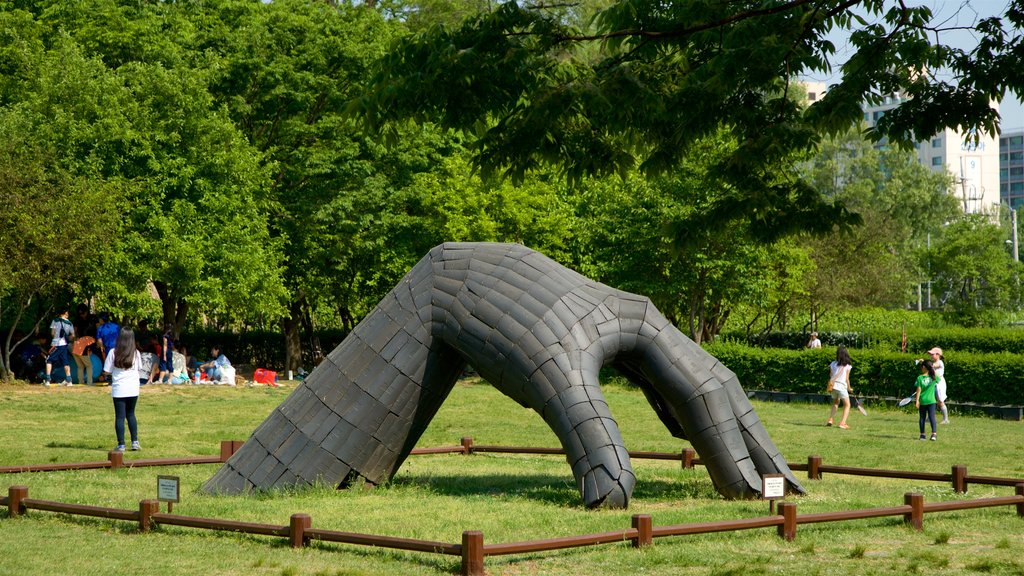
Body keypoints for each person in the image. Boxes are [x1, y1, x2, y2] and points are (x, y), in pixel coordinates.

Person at [102, 328, 142, 452]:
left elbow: (107, 371)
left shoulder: (113, 352)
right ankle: (135, 442)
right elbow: (139, 368)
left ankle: (121, 445)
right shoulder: (136, 353)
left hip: (119, 388)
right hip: (133, 388)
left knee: (120, 416)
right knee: (131, 414)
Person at [44, 307, 75, 387]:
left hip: (56, 344)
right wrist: (67, 338)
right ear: (65, 314)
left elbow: (52, 333)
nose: (68, 314)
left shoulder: (55, 321)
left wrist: (56, 336)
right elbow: (73, 335)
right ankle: (69, 380)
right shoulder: (70, 323)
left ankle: (47, 380)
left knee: (49, 360)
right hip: (65, 344)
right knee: (65, 362)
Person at [825, 345, 853, 429]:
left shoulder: (833, 363)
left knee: (835, 402)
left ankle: (830, 419)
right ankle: (843, 423)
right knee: (847, 405)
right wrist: (849, 388)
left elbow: (831, 375)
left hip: (833, 386)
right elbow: (847, 379)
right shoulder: (847, 366)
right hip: (841, 386)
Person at [915, 359, 939, 441]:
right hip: (932, 401)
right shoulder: (933, 377)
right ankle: (934, 434)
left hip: (923, 401)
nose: (921, 368)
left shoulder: (920, 378)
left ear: (924, 367)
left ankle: (922, 435)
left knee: (922, 418)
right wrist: (931, 367)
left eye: (922, 367)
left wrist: (917, 400)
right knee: (932, 417)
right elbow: (939, 377)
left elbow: (918, 391)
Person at [925, 347, 950, 424]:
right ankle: (930, 417)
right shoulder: (933, 363)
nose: (931, 356)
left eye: (932, 354)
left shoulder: (940, 362)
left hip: (940, 384)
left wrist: (924, 363)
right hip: (934, 383)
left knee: (940, 401)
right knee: (932, 400)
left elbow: (932, 365)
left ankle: (946, 419)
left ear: (938, 355)